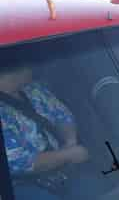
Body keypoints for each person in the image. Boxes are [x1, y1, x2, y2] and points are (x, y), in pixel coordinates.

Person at [0, 62, 92, 199]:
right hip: (26, 185)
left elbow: (63, 116)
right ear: (12, 71)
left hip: (65, 169)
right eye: (27, 63)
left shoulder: (34, 89)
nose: (32, 68)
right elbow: (17, 162)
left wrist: (70, 142)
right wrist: (67, 155)